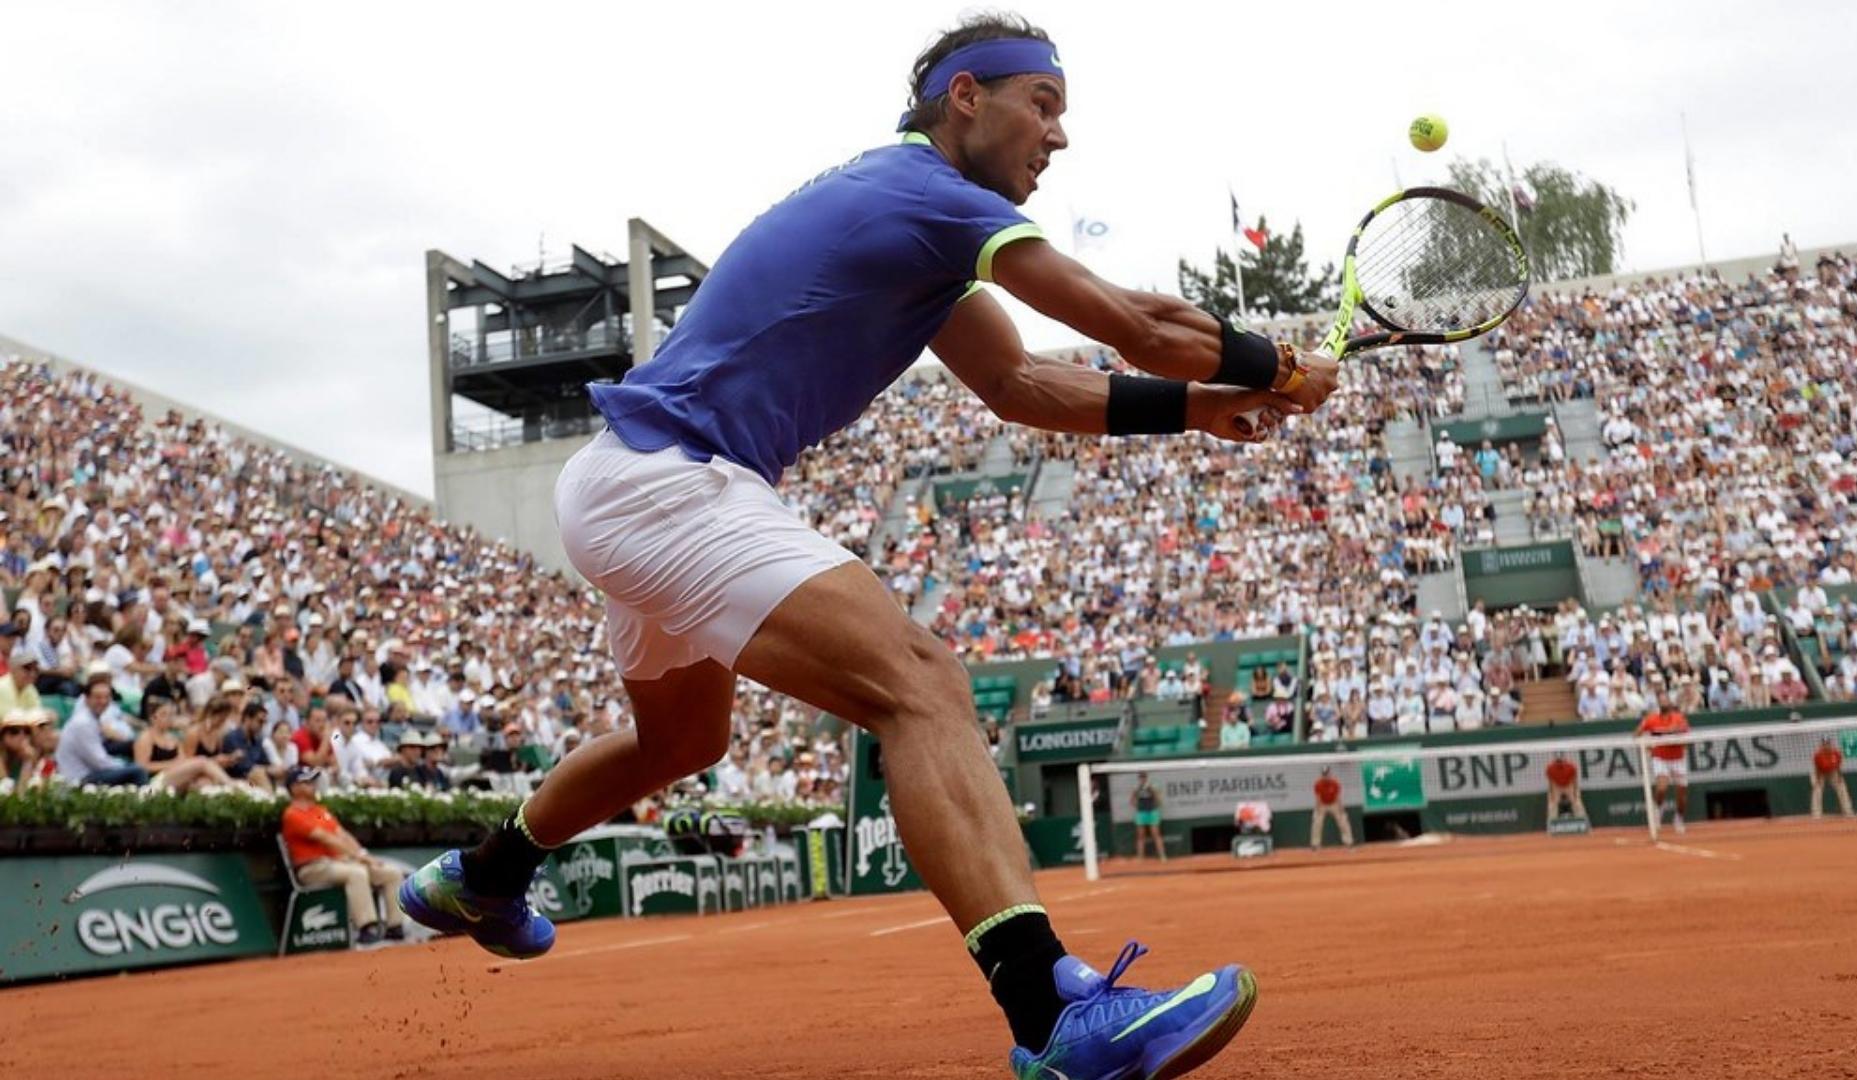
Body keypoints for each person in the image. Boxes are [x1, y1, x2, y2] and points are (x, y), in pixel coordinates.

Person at [402, 18, 1334, 1075]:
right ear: (967, 97)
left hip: (633, 481)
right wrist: (1278, 364)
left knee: (681, 746)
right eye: (1045, 105)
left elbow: (1019, 386)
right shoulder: (925, 195)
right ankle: (1048, 1018)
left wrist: (1201, 407)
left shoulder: (916, 226)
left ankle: (481, 873)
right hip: (671, 482)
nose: (1060, 136)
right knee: (921, 686)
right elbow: (1134, 321)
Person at [280, 765, 407, 947]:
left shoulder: (319, 811)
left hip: (338, 863)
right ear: (294, 788)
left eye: (312, 781)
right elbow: (327, 839)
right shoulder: (292, 814)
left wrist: (364, 855)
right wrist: (360, 858)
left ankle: (395, 927)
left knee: (391, 873)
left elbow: (342, 835)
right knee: (357, 873)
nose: (313, 785)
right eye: (307, 782)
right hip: (312, 868)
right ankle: (366, 928)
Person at [132, 699, 241, 793]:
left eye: (171, 714)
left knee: (203, 782)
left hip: (174, 775)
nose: (169, 718)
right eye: (164, 714)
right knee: (201, 761)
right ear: (153, 717)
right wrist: (171, 764)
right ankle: (232, 785)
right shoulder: (145, 738)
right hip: (156, 780)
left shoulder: (173, 738)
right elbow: (142, 767)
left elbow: (183, 760)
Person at [54, 678, 149, 786]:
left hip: (89, 771)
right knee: (138, 771)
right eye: (98, 697)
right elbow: (100, 762)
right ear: (87, 699)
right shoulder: (83, 723)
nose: (103, 701)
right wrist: (124, 764)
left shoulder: (92, 718)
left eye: (107, 697)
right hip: (78, 778)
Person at [1636, 695, 1691, 836]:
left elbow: (1688, 738)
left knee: (1682, 794)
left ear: (1670, 703)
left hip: (1678, 758)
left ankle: (1678, 818)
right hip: (1660, 757)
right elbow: (1637, 734)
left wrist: (1680, 743)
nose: (1664, 703)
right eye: (1661, 701)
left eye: (1666, 700)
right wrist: (1647, 746)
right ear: (1658, 703)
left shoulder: (1679, 719)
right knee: (1661, 787)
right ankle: (1657, 810)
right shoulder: (1651, 719)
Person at [1309, 767, 1354, 851]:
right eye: (1324, 775)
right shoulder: (1318, 784)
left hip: (1334, 804)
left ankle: (1349, 843)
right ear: (1322, 775)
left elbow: (1338, 797)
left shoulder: (1335, 783)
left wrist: (1341, 809)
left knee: (1343, 821)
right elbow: (1318, 798)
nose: (1326, 776)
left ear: (1330, 774)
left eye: (1327, 774)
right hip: (1322, 804)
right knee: (1317, 823)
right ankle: (1315, 844)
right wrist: (1317, 810)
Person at [1809, 736, 1854, 819]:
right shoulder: (1818, 755)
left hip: (1832, 771)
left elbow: (1838, 767)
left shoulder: (1836, 753)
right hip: (1819, 772)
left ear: (1830, 744)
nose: (1826, 745)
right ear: (1821, 745)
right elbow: (1817, 768)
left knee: (1842, 788)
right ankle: (1816, 814)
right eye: (1824, 744)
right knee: (1817, 791)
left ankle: (1848, 811)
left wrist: (1840, 777)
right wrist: (1818, 781)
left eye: (1828, 743)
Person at [1131, 773, 1167, 861]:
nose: (1142, 779)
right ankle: (1140, 857)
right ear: (1139, 778)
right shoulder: (1136, 788)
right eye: (1141, 777)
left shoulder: (1153, 786)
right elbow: (1132, 800)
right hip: (1141, 813)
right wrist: (1138, 807)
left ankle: (1162, 856)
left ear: (1146, 778)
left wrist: (1152, 791)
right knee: (1140, 835)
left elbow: (1158, 800)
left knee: (1156, 834)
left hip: (1152, 812)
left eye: (1144, 777)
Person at [1544, 753, 1586, 823]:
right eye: (1558, 761)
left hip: (1569, 785)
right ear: (1555, 761)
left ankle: (1581, 820)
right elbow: (1551, 782)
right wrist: (1552, 794)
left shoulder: (1571, 767)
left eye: (1561, 761)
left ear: (1564, 760)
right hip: (1556, 786)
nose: (1559, 763)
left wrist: (1575, 793)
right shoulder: (1550, 768)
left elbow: (1574, 781)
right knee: (1552, 804)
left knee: (1577, 802)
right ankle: (1552, 822)